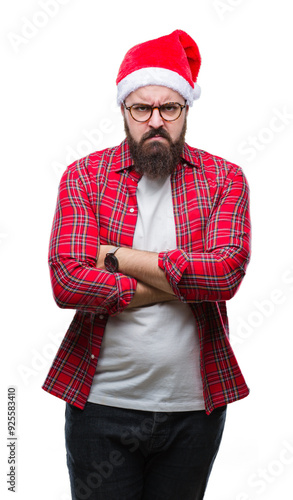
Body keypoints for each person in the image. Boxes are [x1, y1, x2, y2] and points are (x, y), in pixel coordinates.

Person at [43, 29, 251, 500]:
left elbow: (226, 274)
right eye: (142, 108)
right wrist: (185, 278)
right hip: (101, 407)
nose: (155, 121)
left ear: (186, 112)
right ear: (124, 112)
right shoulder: (84, 176)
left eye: (169, 108)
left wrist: (114, 258)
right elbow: (67, 282)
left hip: (194, 409)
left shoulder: (224, 178)